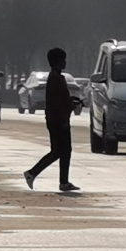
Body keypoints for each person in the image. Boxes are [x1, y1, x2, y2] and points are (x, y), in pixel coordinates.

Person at [24, 47, 79, 193]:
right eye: (63, 60)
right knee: (60, 151)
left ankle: (63, 181)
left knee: (62, 151)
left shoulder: (54, 77)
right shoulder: (57, 79)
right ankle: (33, 173)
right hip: (59, 121)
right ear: (58, 61)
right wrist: (71, 105)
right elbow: (60, 102)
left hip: (55, 119)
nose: (65, 62)